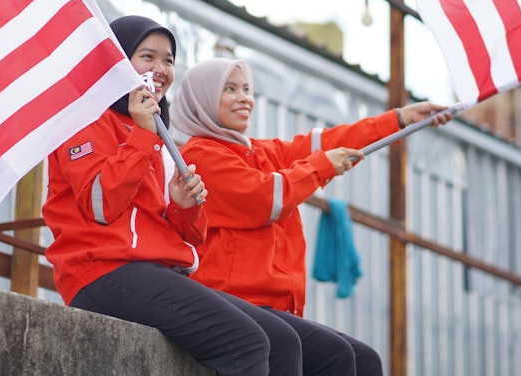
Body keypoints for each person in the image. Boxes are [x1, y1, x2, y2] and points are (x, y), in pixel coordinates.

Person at [42, 16, 302, 375]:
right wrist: (143, 136)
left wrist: (183, 206)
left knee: (283, 341)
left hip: (160, 272)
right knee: (247, 342)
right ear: (117, 60)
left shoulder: (158, 138)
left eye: (168, 60)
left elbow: (192, 237)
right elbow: (101, 204)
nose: (161, 69)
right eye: (147, 57)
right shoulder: (85, 119)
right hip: (101, 272)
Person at [171, 57, 453, 376]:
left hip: (273, 308)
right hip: (234, 302)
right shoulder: (199, 157)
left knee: (366, 360)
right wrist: (322, 166)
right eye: (230, 89)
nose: (244, 98)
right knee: (336, 357)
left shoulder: (260, 152)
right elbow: (266, 198)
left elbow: (326, 144)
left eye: (247, 89)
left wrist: (400, 119)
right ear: (203, 98)